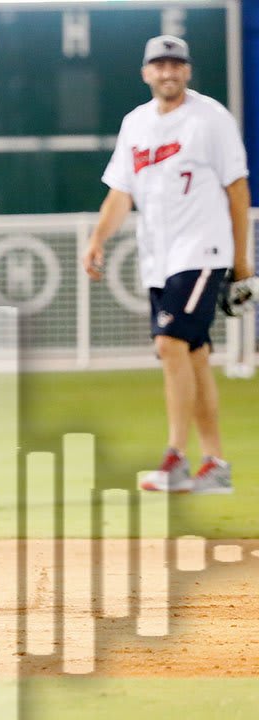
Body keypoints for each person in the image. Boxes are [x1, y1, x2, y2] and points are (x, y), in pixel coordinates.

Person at [82, 36, 251, 494]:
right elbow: (121, 192)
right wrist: (97, 239)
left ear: (188, 71)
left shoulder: (210, 118)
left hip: (202, 249)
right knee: (192, 355)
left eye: (176, 64)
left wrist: (241, 262)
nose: (168, 72)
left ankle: (176, 458)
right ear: (146, 73)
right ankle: (214, 465)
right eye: (159, 64)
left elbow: (237, 189)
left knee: (170, 341)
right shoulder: (135, 123)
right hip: (158, 257)